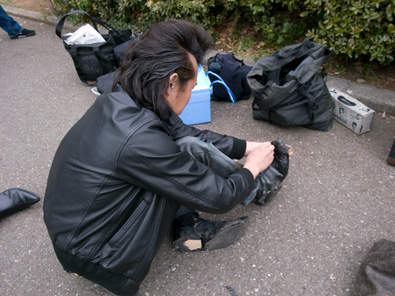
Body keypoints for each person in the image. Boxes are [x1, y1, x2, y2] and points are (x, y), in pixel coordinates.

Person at [43, 19, 291, 296]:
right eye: (193, 85)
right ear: (172, 82)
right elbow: (218, 198)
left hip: (74, 233)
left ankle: (189, 226)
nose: (192, 94)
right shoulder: (140, 141)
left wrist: (252, 146)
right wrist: (252, 168)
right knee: (179, 167)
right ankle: (254, 189)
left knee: (181, 150)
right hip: (97, 257)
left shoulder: (124, 96)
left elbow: (184, 132)